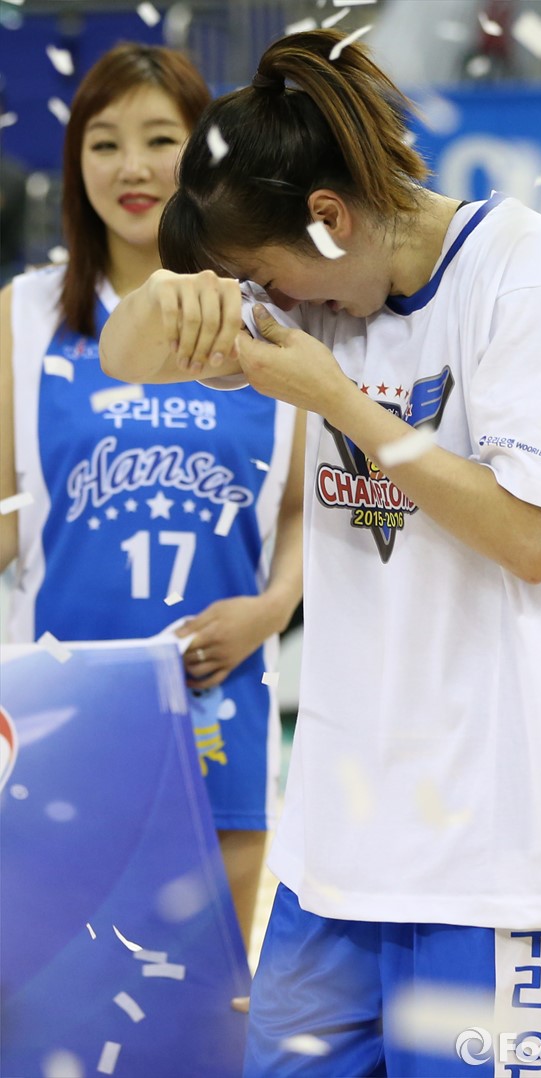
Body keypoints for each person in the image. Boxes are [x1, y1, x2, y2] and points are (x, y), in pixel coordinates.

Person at [99, 28, 541, 1076]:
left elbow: (533, 538)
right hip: (338, 861)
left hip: (500, 864)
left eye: (265, 273)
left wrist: (342, 404)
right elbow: (129, 358)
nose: (272, 299)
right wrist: (170, 297)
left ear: (329, 216)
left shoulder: (528, 281)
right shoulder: (319, 291)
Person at [0, 42, 305, 955]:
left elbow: (304, 505)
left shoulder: (275, 316)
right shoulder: (21, 314)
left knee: (208, 992)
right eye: (104, 143)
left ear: (207, 157)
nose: (131, 167)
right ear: (75, 165)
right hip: (58, 700)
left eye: (160, 139)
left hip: (223, 696)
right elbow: (6, 516)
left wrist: (271, 610)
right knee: (52, 994)